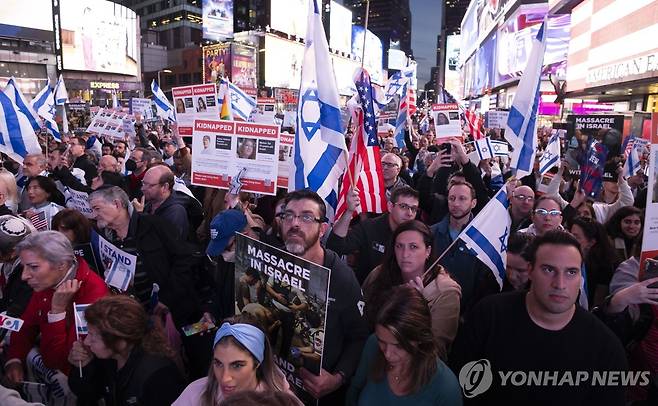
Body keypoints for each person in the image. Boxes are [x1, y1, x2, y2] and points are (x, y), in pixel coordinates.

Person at [450, 230, 628, 405]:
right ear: (530, 271)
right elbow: (459, 384)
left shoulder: (606, 348)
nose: (560, 284)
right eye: (549, 269)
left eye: (571, 272)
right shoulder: (489, 315)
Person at [280, 190, 368, 403]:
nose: (295, 224)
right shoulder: (270, 259)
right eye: (288, 215)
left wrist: (338, 378)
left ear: (322, 230)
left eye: (307, 217)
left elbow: (359, 337)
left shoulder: (341, 278)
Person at [4, 231, 108, 382]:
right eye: (24, 267)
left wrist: (57, 312)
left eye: (33, 267)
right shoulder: (48, 280)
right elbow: (27, 324)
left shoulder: (94, 296)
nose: (24, 276)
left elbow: (56, 362)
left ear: (61, 265)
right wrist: (14, 359)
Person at [347, 285, 462, 406]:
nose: (387, 354)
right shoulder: (373, 344)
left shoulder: (446, 389)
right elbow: (354, 391)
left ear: (420, 339)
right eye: (382, 341)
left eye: (399, 346)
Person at [363, 220, 461, 360]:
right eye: (399, 246)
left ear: (428, 251)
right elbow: (361, 317)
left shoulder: (446, 292)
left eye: (413, 247)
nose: (405, 254)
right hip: (373, 354)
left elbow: (436, 351)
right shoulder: (379, 274)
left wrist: (416, 307)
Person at [67, 295, 185, 405]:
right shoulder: (109, 357)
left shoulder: (159, 377)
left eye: (93, 336)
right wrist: (84, 367)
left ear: (120, 341)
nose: (87, 342)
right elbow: (88, 394)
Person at [173, 315, 296, 405]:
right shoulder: (195, 393)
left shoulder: (281, 401)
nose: (225, 378)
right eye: (218, 363)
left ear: (257, 362)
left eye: (237, 365)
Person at [431, 180, 498, 314]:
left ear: (473, 203)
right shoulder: (431, 233)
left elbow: (484, 285)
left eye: (462, 199)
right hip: (432, 307)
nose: (456, 203)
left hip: (466, 313)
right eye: (452, 198)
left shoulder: (483, 240)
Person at [328, 186, 419, 284]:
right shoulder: (370, 227)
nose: (409, 213)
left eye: (413, 209)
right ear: (390, 207)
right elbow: (336, 247)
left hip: (399, 293)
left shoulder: (417, 235)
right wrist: (349, 211)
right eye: (404, 206)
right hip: (366, 291)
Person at [570, 216, 619, 308]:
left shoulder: (605, 266)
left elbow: (597, 305)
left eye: (576, 237)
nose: (570, 239)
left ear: (591, 242)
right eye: (570, 235)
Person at [138, 165, 189, 240]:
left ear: (165, 187)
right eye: (143, 183)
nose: (143, 188)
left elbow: (158, 241)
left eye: (149, 185)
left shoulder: (175, 212)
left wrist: (140, 215)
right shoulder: (149, 203)